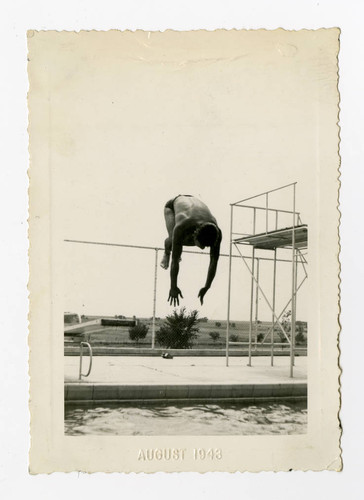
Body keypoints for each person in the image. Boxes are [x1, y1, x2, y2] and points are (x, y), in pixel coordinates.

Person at [160, 195, 222, 306]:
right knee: (174, 240)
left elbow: (214, 261)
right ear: (195, 233)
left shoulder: (217, 232)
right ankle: (166, 252)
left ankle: (177, 247)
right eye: (202, 245)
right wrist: (173, 287)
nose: (203, 248)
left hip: (194, 206)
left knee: (183, 242)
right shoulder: (182, 226)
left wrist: (207, 286)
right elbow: (174, 262)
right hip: (171, 206)